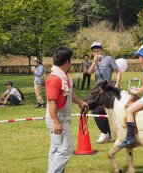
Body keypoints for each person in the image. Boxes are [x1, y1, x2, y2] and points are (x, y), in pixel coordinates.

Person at [45, 45, 88, 173]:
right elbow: (51, 102)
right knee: (66, 149)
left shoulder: (64, 76)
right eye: (71, 59)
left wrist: (80, 102)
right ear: (67, 61)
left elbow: (69, 93)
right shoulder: (54, 79)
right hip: (58, 118)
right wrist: (56, 122)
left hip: (61, 117)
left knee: (57, 149)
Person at [88, 42, 121, 143]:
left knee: (97, 111)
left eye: (98, 51)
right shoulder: (95, 62)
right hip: (98, 91)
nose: (96, 53)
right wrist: (94, 62)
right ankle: (107, 134)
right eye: (94, 52)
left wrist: (117, 84)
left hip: (108, 90)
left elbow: (118, 71)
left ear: (102, 50)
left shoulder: (109, 59)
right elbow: (89, 72)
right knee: (99, 111)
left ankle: (105, 133)